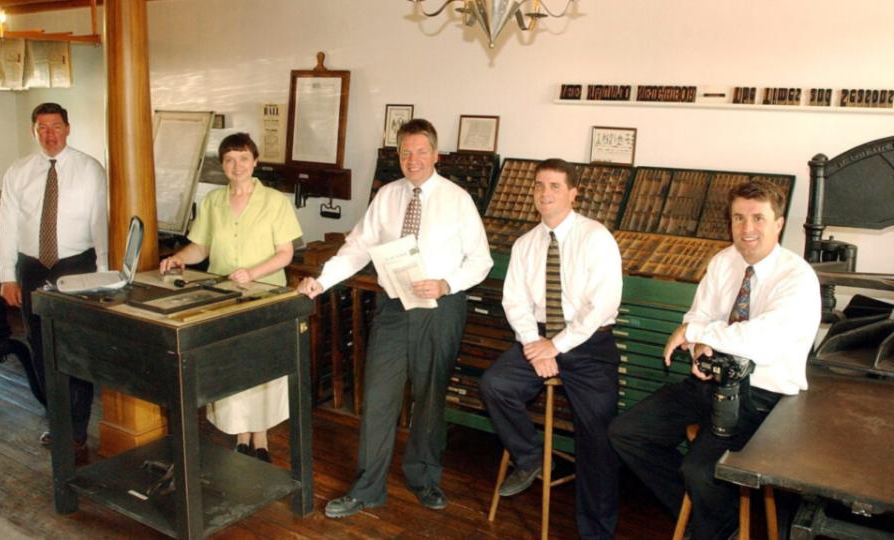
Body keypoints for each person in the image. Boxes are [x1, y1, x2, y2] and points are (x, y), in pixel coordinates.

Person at [297, 119, 493, 518]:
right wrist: (322, 281)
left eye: (421, 152)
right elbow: (357, 248)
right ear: (398, 155)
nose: (412, 160)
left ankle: (424, 477)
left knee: (430, 398)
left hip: (440, 309)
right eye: (405, 152)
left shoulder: (457, 200)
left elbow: (481, 261)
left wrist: (446, 284)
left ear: (436, 155)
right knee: (378, 397)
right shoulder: (387, 196)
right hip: (393, 308)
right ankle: (368, 489)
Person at [608, 179, 821, 540]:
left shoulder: (797, 277)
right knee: (626, 433)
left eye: (758, 218)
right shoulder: (724, 261)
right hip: (711, 381)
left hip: (762, 396)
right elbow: (698, 315)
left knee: (700, 470)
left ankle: (714, 524)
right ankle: (710, 517)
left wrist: (697, 333)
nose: (747, 228)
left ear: (779, 223)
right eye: (738, 218)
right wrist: (698, 347)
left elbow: (760, 341)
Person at [479, 158, 623, 540]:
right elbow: (515, 302)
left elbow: (601, 305)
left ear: (573, 193)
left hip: (588, 342)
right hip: (539, 337)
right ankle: (531, 458)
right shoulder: (525, 244)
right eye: (539, 185)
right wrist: (534, 345)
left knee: (597, 437)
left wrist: (555, 347)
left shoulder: (595, 237)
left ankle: (595, 533)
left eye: (555, 186)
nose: (545, 193)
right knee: (495, 385)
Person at [160, 132, 301, 463]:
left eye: (243, 158)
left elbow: (286, 253)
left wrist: (253, 272)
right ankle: (240, 436)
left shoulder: (276, 202)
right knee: (231, 366)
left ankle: (261, 437)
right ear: (222, 165)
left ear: (255, 161)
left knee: (260, 366)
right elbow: (201, 247)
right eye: (229, 160)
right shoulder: (212, 202)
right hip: (223, 299)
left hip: (265, 298)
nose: (237, 166)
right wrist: (179, 258)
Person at [0, 102, 108, 461]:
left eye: (56, 126)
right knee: (41, 346)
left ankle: (76, 430)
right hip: (32, 268)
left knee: (76, 347)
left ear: (68, 128)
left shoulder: (90, 169)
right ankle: (57, 420)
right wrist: (7, 276)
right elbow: (7, 226)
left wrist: (103, 274)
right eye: (42, 127)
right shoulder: (18, 172)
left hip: (76, 265)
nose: (50, 134)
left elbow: (100, 225)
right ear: (34, 131)